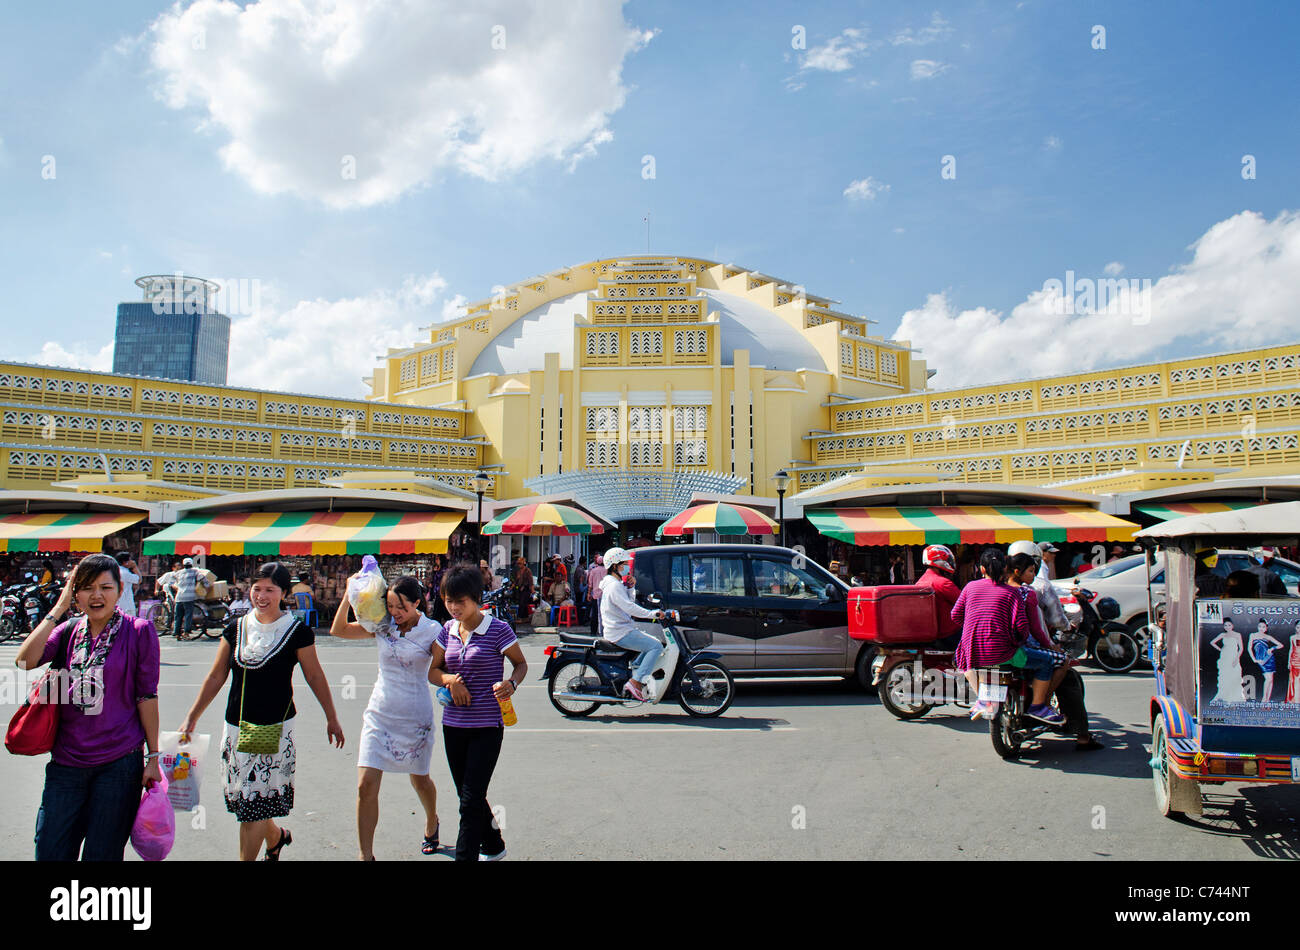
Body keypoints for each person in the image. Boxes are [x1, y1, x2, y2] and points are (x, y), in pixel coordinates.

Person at [180, 561, 345, 861]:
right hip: (236, 726)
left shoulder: (296, 631)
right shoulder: (235, 628)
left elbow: (315, 675)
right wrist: (192, 716)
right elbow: (217, 676)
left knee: (252, 809)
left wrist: (331, 717)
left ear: (284, 593)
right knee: (249, 801)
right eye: (257, 589)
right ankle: (277, 837)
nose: (262, 595)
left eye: (270, 590)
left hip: (273, 727)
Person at [15, 554, 161, 861]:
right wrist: (58, 608)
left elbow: (146, 696)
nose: (97, 595)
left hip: (119, 763)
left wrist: (153, 756)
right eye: (87, 588)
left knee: (102, 853)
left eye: (105, 587)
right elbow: (25, 660)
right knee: (50, 848)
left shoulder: (139, 631)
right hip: (67, 762)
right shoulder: (68, 630)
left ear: (120, 590)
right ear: (75, 593)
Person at [329, 575, 441, 861]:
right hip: (380, 714)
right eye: (390, 605)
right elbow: (338, 630)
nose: (395, 612)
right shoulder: (381, 624)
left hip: (415, 717)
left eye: (401, 606)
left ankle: (431, 822)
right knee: (364, 785)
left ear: (417, 602)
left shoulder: (433, 631)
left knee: (420, 780)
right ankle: (366, 856)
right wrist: (349, 593)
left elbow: (444, 666)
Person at [428, 562, 528, 861]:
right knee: (468, 797)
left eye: (461, 601)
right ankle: (494, 844)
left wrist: (511, 683)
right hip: (454, 725)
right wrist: (449, 680)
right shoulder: (446, 631)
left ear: (476, 598)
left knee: (469, 801)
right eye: (448, 601)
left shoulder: (498, 630)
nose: (454, 607)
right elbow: (433, 670)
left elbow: (520, 664)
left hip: (487, 725)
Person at [951, 548, 1064, 725]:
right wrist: (1016, 641)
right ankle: (1038, 706)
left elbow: (955, 615)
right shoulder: (1014, 593)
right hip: (1004, 653)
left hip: (971, 654)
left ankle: (983, 700)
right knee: (1046, 662)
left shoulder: (970, 587)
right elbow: (1022, 628)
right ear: (1004, 568)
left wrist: (974, 627)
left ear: (982, 569)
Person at [1007, 542, 1102, 750]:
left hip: (994, 649)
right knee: (1067, 674)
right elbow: (1044, 625)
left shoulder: (994, 587)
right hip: (1026, 647)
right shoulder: (1035, 588)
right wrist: (1056, 640)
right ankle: (1077, 732)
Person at [598, 547, 665, 701]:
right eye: (623, 564)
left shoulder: (615, 583)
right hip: (620, 632)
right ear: (615, 566)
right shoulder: (614, 586)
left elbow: (627, 602)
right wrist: (652, 614)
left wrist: (630, 587)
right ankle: (636, 682)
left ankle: (636, 669)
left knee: (654, 643)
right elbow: (629, 607)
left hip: (622, 628)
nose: (626, 567)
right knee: (656, 647)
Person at [913, 544, 961, 649]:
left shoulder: (920, 581)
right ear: (940, 560)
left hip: (933, 633)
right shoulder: (943, 583)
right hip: (949, 633)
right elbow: (965, 603)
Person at [1210, 618, 1246, 704]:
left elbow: (1241, 648)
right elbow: (1212, 642)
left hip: (1234, 657)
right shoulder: (1223, 634)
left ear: (1232, 626)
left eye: (1229, 625)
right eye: (1225, 625)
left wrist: (1236, 659)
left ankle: (1233, 697)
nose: (1227, 627)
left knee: (1233, 676)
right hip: (1224, 658)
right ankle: (1223, 696)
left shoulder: (1237, 635)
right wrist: (1221, 649)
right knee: (1224, 676)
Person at [1248, 618, 1284, 702]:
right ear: (1257, 627)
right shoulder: (1252, 635)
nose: (1261, 628)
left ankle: (1267, 700)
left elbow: (1280, 645)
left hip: (1269, 658)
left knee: (1270, 679)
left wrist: (1272, 648)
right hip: (1261, 660)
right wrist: (1254, 659)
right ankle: (1264, 699)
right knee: (1268, 679)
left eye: (1263, 627)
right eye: (1260, 626)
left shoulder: (1268, 637)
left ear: (1266, 628)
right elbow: (1249, 648)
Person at [168, 557, 201, 639]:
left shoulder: (179, 572)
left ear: (183, 565)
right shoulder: (195, 571)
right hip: (189, 597)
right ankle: (186, 632)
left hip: (179, 597)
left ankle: (177, 633)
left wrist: (176, 586)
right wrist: (207, 586)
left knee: (178, 616)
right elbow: (203, 579)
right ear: (191, 564)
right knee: (188, 615)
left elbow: (171, 581)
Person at [113, 551, 141, 617]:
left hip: (116, 603)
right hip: (126, 605)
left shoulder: (114, 571)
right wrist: (135, 567)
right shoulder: (125, 573)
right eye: (130, 559)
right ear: (125, 562)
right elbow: (139, 579)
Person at [585, 555, 605, 636]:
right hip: (605, 596)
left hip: (596, 595)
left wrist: (589, 594)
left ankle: (593, 631)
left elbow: (590, 584)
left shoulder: (593, 571)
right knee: (604, 614)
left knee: (595, 614)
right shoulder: (608, 571)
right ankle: (602, 631)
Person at [513, 557, 534, 626]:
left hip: (526, 589)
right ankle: (525, 618)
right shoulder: (518, 571)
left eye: (520, 564)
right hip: (519, 589)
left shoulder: (527, 571)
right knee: (521, 603)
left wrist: (532, 589)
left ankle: (521, 618)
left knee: (523, 603)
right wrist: (512, 586)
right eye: (518, 564)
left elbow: (530, 581)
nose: (519, 565)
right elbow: (516, 581)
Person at [1287, 627, 1300, 703]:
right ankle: (1296, 700)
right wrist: (1289, 662)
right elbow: (1291, 649)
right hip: (1294, 661)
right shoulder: (1292, 637)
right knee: (1295, 681)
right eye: (1298, 627)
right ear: (1296, 628)